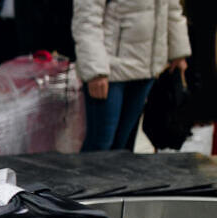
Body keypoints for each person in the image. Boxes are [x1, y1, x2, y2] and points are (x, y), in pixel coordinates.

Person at [73, 0, 191, 152]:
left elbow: (172, 8)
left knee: (123, 146)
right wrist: (95, 70)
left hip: (145, 68)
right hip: (109, 71)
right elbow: (86, 19)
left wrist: (178, 52)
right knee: (100, 145)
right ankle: (87, 176)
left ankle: (114, 177)